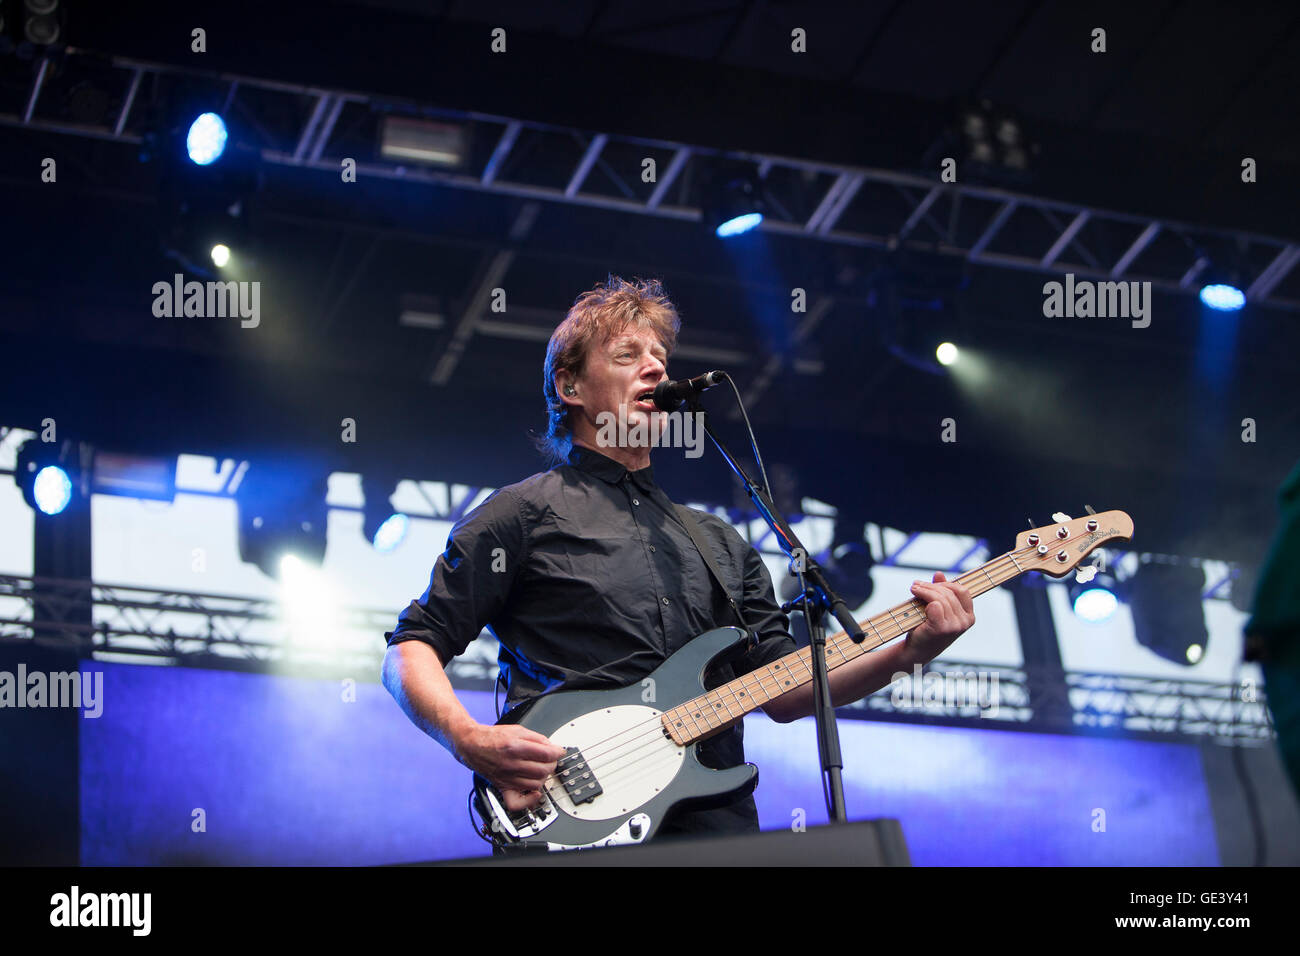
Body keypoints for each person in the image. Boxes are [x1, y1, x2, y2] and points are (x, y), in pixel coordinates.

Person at [381, 275, 975, 844]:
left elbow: (788, 690)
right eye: (626, 354)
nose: (657, 366)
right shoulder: (521, 513)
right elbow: (411, 646)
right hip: (570, 813)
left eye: (661, 354)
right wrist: (466, 738)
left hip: (713, 824)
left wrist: (912, 651)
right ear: (570, 387)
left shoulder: (721, 544)